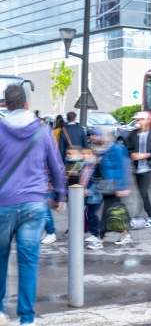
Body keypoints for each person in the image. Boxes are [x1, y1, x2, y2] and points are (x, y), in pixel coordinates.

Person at [0, 84, 66, 326]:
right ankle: (26, 320)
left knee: (0, 258)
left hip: (3, 205)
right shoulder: (43, 130)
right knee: (28, 263)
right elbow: (57, 166)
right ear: (27, 104)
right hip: (34, 206)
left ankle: (0, 312)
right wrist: (60, 197)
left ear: (4, 105)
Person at [87, 127, 132, 250]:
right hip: (106, 185)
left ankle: (100, 239)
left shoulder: (114, 149)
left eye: (94, 135)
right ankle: (126, 234)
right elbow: (96, 170)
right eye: (91, 135)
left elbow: (124, 167)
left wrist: (123, 187)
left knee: (108, 212)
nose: (91, 137)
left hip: (115, 185)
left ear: (101, 136)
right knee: (114, 213)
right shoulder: (99, 150)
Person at [125, 111, 151, 228]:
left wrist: (146, 155)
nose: (138, 122)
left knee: (143, 192)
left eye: (141, 119)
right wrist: (132, 154)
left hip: (149, 168)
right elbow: (128, 148)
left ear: (148, 121)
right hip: (137, 169)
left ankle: (148, 217)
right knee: (142, 193)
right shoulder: (132, 134)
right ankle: (141, 217)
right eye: (137, 120)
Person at [80, 148, 101, 243]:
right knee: (88, 213)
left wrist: (88, 191)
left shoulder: (96, 167)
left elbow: (97, 182)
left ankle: (95, 234)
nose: (85, 156)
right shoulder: (84, 166)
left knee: (92, 214)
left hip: (95, 195)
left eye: (87, 154)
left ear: (94, 156)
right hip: (85, 194)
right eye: (83, 154)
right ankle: (93, 232)